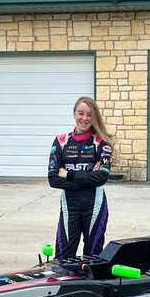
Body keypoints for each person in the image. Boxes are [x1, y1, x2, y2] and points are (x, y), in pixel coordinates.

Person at [48, 96, 113, 261]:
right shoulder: (61, 141)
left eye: (89, 114)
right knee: (63, 258)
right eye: (80, 113)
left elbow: (101, 178)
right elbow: (53, 179)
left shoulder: (102, 142)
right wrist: (88, 178)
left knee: (92, 258)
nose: (84, 118)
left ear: (94, 117)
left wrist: (69, 174)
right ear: (74, 114)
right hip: (70, 206)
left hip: (95, 206)